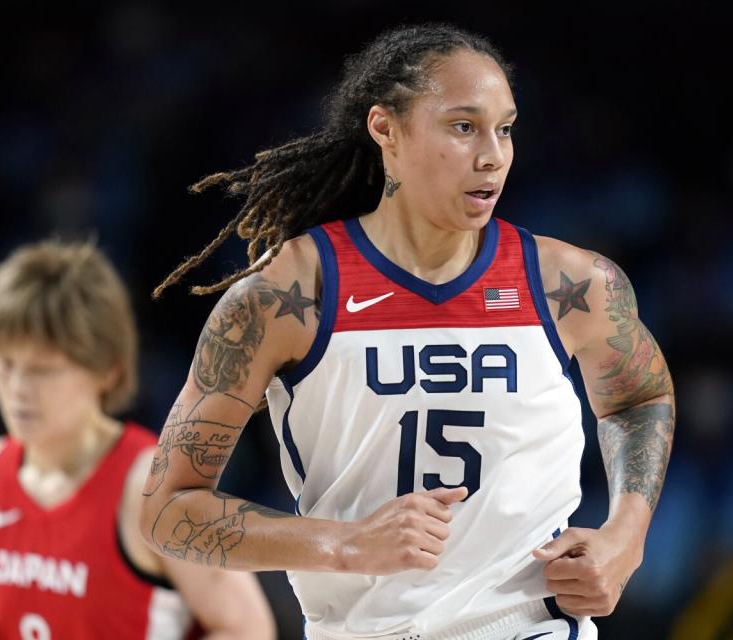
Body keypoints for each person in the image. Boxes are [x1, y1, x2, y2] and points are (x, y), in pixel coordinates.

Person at [140, 23, 675, 640]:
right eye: (463, 126)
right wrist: (342, 546)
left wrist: (625, 537)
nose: (492, 155)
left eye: (505, 128)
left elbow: (640, 398)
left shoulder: (572, 284)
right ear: (385, 130)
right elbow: (167, 510)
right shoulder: (287, 296)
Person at [0, 239, 275, 640]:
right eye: (6, 365)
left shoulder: (151, 487)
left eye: (43, 370)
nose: (18, 389)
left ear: (108, 371)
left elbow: (248, 629)